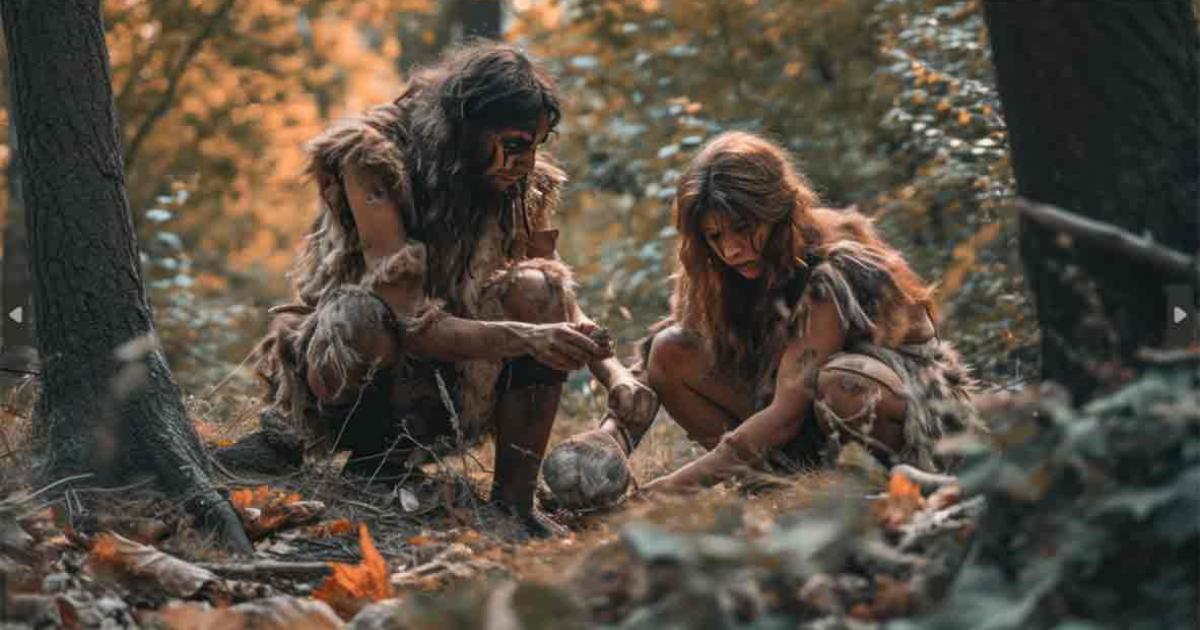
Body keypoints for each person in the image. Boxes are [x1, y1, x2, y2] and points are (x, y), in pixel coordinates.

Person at [252, 43, 656, 534]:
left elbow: (556, 300)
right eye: (515, 144)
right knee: (358, 315)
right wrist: (527, 339)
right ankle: (364, 460)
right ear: (467, 126)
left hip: (454, 395)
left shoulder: (519, 183)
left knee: (538, 287)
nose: (526, 162)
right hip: (349, 384)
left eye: (536, 146)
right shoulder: (371, 157)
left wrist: (615, 376)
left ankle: (514, 505)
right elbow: (410, 322)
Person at [559, 131, 980, 496]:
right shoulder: (719, 269)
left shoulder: (835, 262)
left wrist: (664, 492)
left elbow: (785, 413)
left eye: (743, 229)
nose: (731, 249)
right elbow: (655, 370)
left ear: (778, 211)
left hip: (913, 423)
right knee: (670, 349)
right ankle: (780, 486)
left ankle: (888, 488)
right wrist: (606, 445)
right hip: (803, 418)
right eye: (715, 236)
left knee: (843, 380)